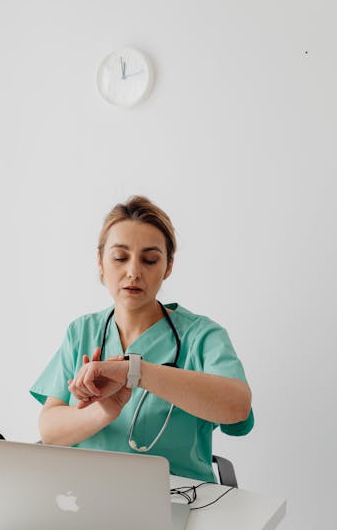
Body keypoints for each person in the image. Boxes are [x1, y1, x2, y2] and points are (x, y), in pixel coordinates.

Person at [30, 196, 253, 482]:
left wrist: (135, 372)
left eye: (149, 260)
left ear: (168, 266)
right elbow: (50, 430)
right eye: (120, 258)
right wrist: (104, 411)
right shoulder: (82, 331)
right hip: (87, 494)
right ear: (100, 262)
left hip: (179, 497)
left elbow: (237, 407)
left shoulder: (202, 336)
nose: (134, 272)